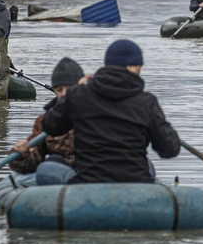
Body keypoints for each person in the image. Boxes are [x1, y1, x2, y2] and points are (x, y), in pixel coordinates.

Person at [42, 39, 181, 184]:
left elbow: (50, 125)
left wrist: (74, 92)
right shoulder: (147, 103)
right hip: (136, 184)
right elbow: (169, 150)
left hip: (88, 183)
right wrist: (168, 133)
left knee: (46, 169)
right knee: (148, 166)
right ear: (132, 67)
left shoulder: (78, 95)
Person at [9, 58, 84, 185]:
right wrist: (21, 155)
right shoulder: (46, 121)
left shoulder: (95, 114)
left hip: (91, 177)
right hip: (59, 181)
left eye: (69, 88)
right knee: (51, 163)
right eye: (59, 90)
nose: (64, 94)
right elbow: (32, 164)